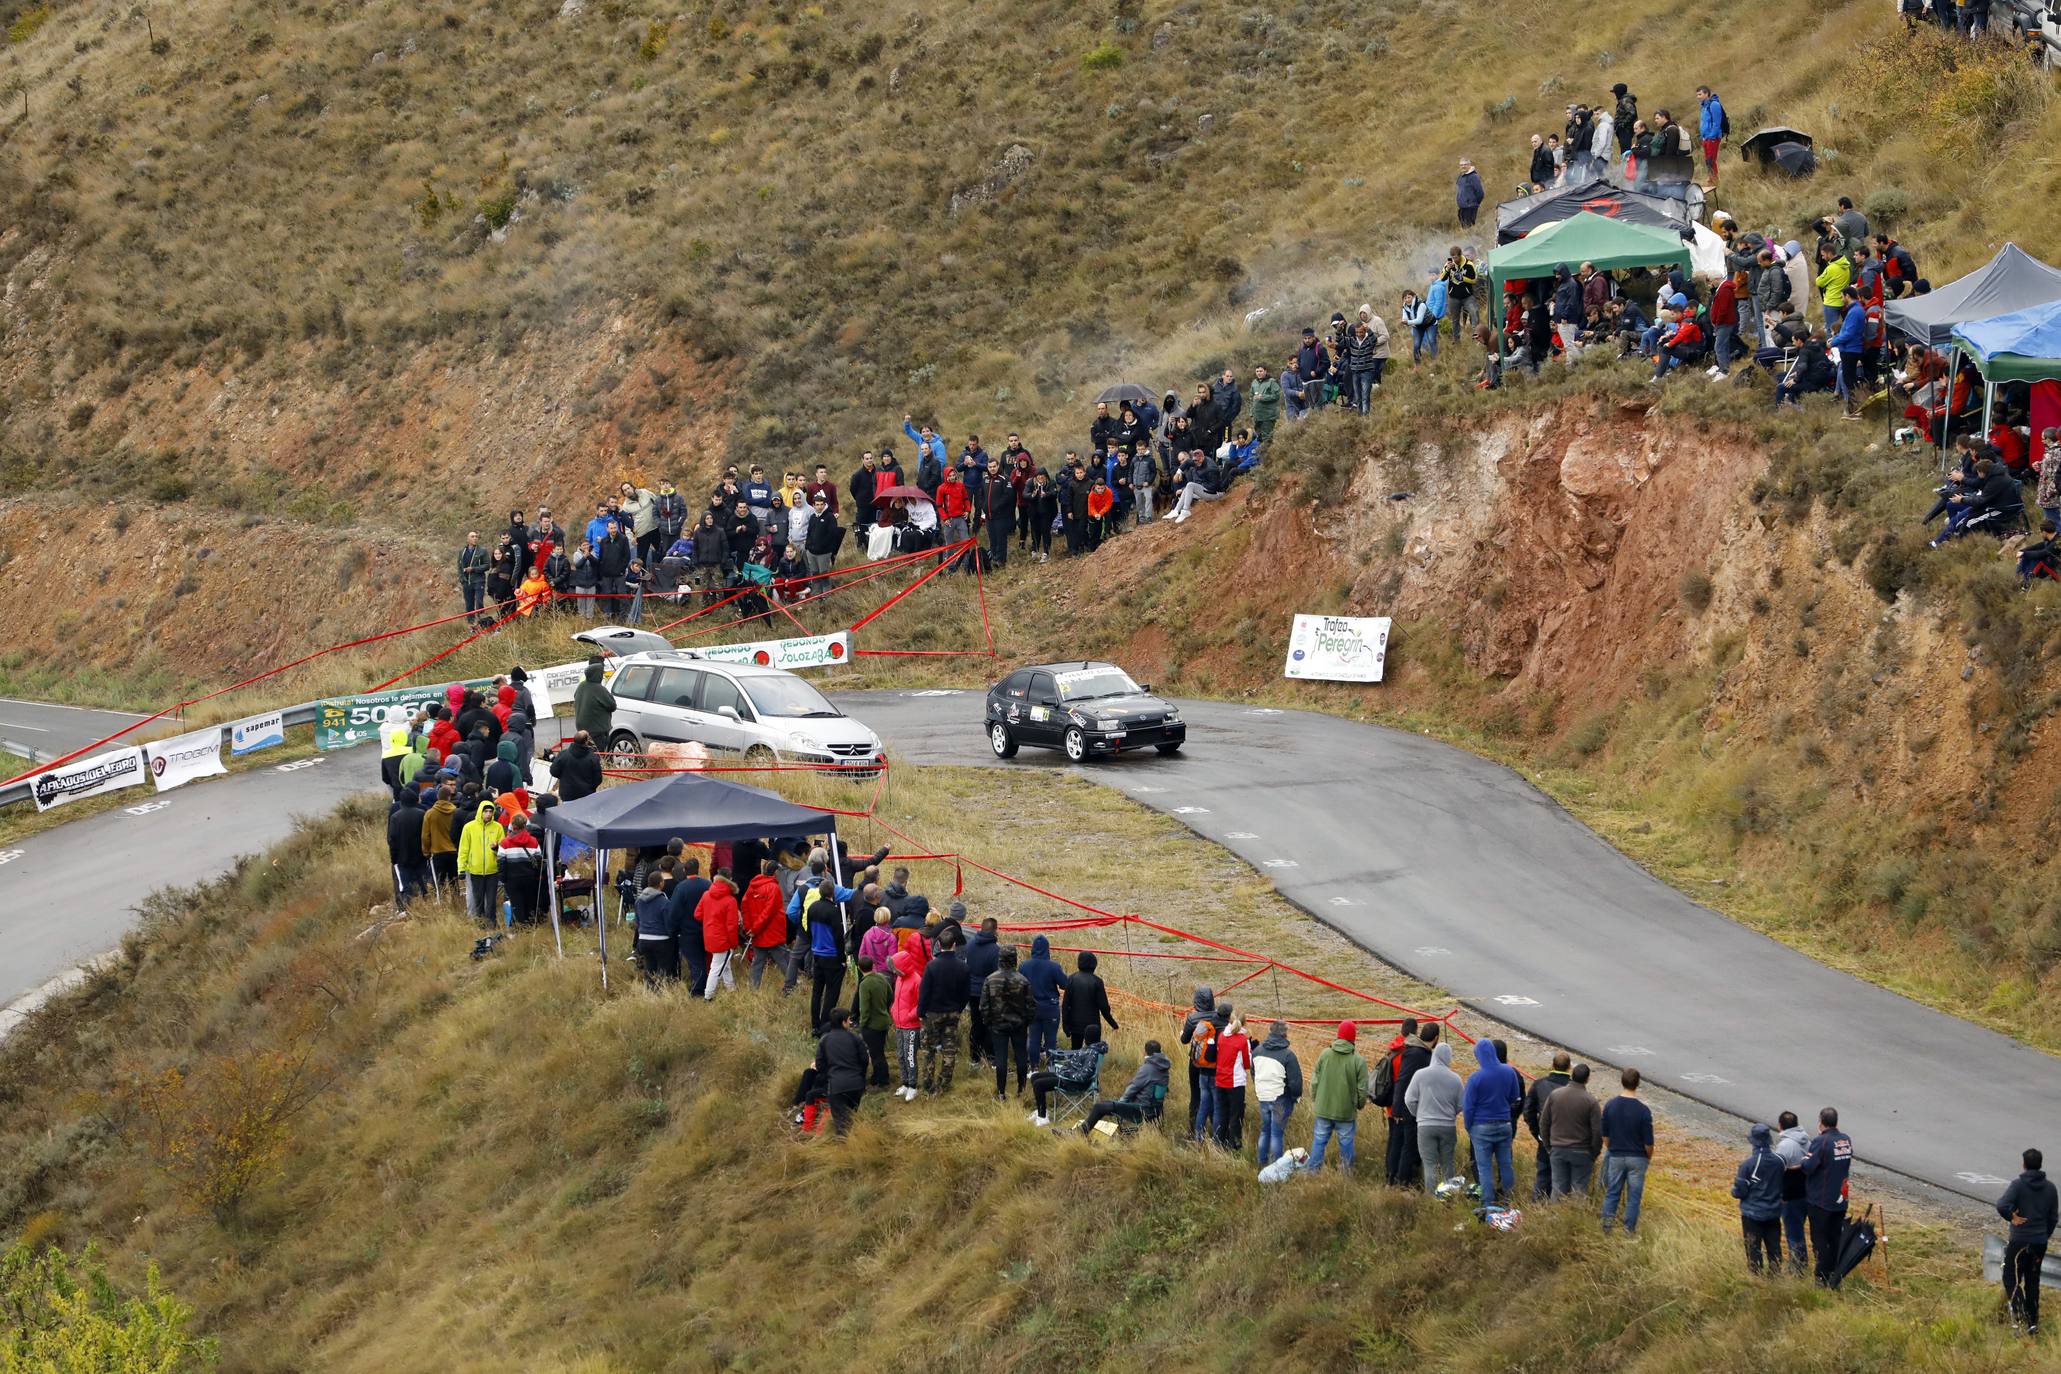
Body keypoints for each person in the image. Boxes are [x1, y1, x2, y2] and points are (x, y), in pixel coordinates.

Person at [1998, 1148, 2058, 1335]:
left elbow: (2001, 1205)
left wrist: (2012, 1218)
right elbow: (2053, 1217)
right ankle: (2033, 1323)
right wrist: (2043, 1235)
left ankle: (2020, 1314)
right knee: (2033, 1281)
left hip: (2020, 1241)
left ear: (2024, 1164)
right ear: (2040, 1164)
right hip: (2039, 1242)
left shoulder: (2018, 1185)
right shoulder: (2050, 1188)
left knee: (2011, 1278)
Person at [1461, 1038, 1523, 1204]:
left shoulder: (1476, 1078)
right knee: (1505, 1164)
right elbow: (1515, 1097)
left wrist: (1469, 1127)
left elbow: (1468, 1107)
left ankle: (1488, 1204)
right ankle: (1508, 1199)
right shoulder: (1509, 1072)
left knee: (1484, 1167)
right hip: (1504, 1123)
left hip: (1481, 1127)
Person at [1304, 1022, 1367, 1172]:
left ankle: (1313, 1172)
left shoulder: (1325, 1054)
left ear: (1338, 1035)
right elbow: (1362, 1089)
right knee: (1346, 1144)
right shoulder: (1358, 1060)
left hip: (1323, 1108)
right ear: (1353, 1038)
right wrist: (1359, 1104)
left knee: (1319, 1141)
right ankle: (1346, 1175)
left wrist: (1316, 1098)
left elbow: (1315, 1080)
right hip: (1345, 1112)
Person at [1600, 1067, 1656, 1236]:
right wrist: (1648, 1157)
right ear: (1637, 1084)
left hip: (1616, 1155)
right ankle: (1628, 1230)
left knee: (1612, 1193)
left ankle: (1607, 1227)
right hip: (1637, 1158)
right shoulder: (1643, 1110)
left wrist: (1612, 1147)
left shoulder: (1610, 1105)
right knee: (1634, 1197)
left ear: (1622, 1081)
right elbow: (1649, 1142)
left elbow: (1605, 1135)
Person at [1075, 1040, 1172, 1135]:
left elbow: (1133, 1088)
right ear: (1160, 1051)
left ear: (1145, 1052)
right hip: (1154, 1109)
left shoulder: (1148, 1068)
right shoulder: (1164, 1069)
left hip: (1140, 1109)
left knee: (1099, 1107)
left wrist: (1121, 1102)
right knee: (1104, 1105)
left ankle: (1080, 1132)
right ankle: (1081, 1131)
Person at [1801, 1106, 1853, 1284]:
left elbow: (1808, 1167)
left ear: (1821, 1122)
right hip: (1840, 1198)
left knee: (1820, 1239)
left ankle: (1821, 1277)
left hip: (1821, 1200)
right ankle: (1834, 1273)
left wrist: (1803, 1160)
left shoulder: (1821, 1141)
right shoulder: (1845, 1140)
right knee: (1835, 1237)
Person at [1404, 1038, 1463, 1191]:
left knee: (1429, 1164)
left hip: (1425, 1126)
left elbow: (1409, 1099)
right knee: (1448, 1163)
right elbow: (1461, 1104)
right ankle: (1449, 1196)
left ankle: (1432, 1198)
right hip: (1448, 1126)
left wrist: (1419, 1115)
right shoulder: (1455, 1079)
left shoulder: (1420, 1075)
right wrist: (1450, 1114)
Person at [916, 927, 969, 1095]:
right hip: (952, 1011)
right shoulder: (962, 967)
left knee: (929, 1049)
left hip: (933, 1013)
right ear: (953, 945)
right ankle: (945, 1082)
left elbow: (924, 992)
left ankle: (928, 1082)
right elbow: (965, 993)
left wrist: (921, 1011)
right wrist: (958, 1008)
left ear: (939, 944)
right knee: (949, 1048)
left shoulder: (932, 966)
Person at [980, 945, 1036, 1101]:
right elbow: (1031, 1005)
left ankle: (1001, 1093)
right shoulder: (1023, 980)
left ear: (1000, 959)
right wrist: (1027, 1022)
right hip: (1019, 1025)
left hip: (997, 1025)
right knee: (1021, 1057)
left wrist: (988, 1022)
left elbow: (984, 1005)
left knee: (1001, 1058)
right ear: (1015, 959)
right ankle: (1021, 1090)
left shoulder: (991, 979)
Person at [1539, 1063, 1602, 1200]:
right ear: (1587, 1079)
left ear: (1572, 1075)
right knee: (1579, 1190)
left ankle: (1555, 1218)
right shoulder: (1591, 1101)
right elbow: (1597, 1131)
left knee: (1558, 1189)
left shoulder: (1555, 1095)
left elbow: (1544, 1123)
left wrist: (1549, 1146)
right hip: (1582, 1151)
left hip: (1558, 1149)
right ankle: (1575, 1219)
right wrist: (1594, 1153)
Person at [1733, 1122, 1786, 1275]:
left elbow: (1739, 1192)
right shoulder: (1780, 1161)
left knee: (1753, 1249)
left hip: (1752, 1214)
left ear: (1753, 1142)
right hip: (1774, 1213)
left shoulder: (1748, 1165)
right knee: (1774, 1248)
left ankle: (1755, 1277)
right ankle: (1775, 1276)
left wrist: (1734, 1190)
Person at [1383, 1019, 1431, 1189]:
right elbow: (1404, 1081)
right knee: (1405, 1143)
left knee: (1393, 1141)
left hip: (1391, 1104)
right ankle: (1401, 1179)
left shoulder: (1392, 1049)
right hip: (1404, 1105)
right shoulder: (1408, 1053)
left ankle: (1390, 1176)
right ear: (1414, 1033)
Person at [1522, 1051, 1574, 1200]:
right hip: (1568, 1141)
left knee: (1543, 1174)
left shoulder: (1539, 1084)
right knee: (1563, 1180)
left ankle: (1537, 1207)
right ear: (1569, 1067)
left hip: (1546, 1138)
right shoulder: (1574, 1088)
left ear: (1552, 1065)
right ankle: (1557, 1211)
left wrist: (1536, 1132)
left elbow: (1528, 1111)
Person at [1252, 1021, 1302, 1168]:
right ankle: (1276, 1168)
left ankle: (1261, 1163)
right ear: (1284, 1034)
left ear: (1270, 1032)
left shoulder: (1257, 1051)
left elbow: (1254, 1073)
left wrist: (1260, 1088)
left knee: (1265, 1130)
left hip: (1263, 1096)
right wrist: (1295, 1097)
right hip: (1280, 1098)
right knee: (1276, 1133)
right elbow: (1295, 1082)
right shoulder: (1288, 1055)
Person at [813, 1007, 869, 1135]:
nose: (850, 1023)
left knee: (842, 1125)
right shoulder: (855, 1038)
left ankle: (843, 1150)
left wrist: (830, 1076)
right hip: (856, 1085)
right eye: (849, 1020)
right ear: (843, 1022)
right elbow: (864, 1060)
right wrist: (860, 1076)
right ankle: (855, 1146)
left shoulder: (825, 1040)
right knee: (851, 1118)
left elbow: (820, 1064)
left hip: (837, 1086)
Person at [456, 798, 504, 928]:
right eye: (485, 811)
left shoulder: (498, 827)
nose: (488, 814)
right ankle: (480, 925)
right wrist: (461, 868)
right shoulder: (469, 827)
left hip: (492, 870)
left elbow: (503, 849)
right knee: (478, 901)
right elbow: (463, 849)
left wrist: (496, 848)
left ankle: (492, 925)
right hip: (475, 870)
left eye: (490, 811)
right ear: (480, 812)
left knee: (491, 901)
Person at [741, 860, 788, 987]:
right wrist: (754, 929)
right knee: (784, 961)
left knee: (758, 961)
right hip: (772, 933)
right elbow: (768, 912)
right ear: (775, 872)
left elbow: (744, 907)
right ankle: (793, 984)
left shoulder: (753, 885)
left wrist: (749, 928)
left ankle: (753, 988)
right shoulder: (774, 888)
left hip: (757, 933)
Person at [1022, 934, 1067, 1066]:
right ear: (1047, 949)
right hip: (1050, 1007)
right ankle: (1051, 1066)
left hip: (1031, 1007)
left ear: (1033, 948)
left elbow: (1020, 985)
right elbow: (1065, 984)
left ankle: (1033, 1067)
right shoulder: (1054, 967)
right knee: (1051, 1040)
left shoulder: (1024, 966)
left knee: (1034, 1039)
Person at [696, 870, 741, 1000]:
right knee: (716, 969)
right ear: (730, 879)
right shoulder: (730, 900)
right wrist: (733, 943)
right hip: (723, 940)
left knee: (724, 965)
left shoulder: (706, 895)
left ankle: (731, 989)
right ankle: (708, 996)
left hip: (709, 936)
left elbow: (697, 914)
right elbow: (731, 926)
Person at [1212, 1012, 1253, 1151]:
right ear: (1244, 1023)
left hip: (1220, 1079)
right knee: (1235, 1115)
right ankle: (1233, 1145)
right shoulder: (1243, 1040)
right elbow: (1247, 1064)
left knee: (1222, 1112)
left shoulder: (1222, 1036)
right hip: (1235, 1082)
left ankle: (1218, 1142)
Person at [1061, 951, 1118, 1049]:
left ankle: (1075, 1064)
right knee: (1094, 1053)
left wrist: (1065, 1025)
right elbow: (1104, 1007)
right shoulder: (1097, 981)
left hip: (1075, 1024)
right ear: (1094, 964)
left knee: (1075, 1051)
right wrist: (1113, 1023)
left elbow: (1065, 1005)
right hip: (1093, 1026)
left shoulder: (1071, 979)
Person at [634, 870, 678, 984]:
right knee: (663, 969)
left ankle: (649, 992)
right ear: (661, 884)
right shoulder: (664, 902)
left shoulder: (639, 901)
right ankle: (661, 994)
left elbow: (637, 921)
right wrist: (672, 937)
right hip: (661, 940)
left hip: (643, 939)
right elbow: (669, 923)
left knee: (649, 968)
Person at [573, 658, 615, 745]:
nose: (602, 676)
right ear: (597, 674)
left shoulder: (581, 685)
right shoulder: (599, 689)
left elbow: (576, 697)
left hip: (581, 730)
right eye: (601, 674)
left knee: (586, 752)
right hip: (597, 730)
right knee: (599, 754)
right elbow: (612, 706)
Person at [1248, 365, 1282, 450]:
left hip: (1268, 415)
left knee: (1267, 438)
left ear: (1265, 371)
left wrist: (1262, 397)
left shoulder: (1271, 382)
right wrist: (1251, 412)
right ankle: (1260, 458)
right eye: (1257, 371)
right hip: (1257, 416)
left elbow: (1277, 395)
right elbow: (1251, 398)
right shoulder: (1254, 382)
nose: (1259, 373)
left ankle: (1267, 456)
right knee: (1259, 437)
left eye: (1261, 371)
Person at [1695, 85, 1725, 183]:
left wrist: (1712, 136)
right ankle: (1711, 178)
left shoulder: (1714, 105)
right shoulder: (1704, 106)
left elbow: (1717, 122)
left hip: (1713, 137)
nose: (1698, 97)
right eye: (1697, 95)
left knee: (1711, 160)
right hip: (1706, 137)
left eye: (1700, 94)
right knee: (1708, 159)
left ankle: (1714, 179)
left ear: (1706, 94)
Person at [1454, 158, 1484, 227]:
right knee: (1464, 227)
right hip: (1462, 207)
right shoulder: (1461, 176)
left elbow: (1480, 192)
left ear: (1469, 165)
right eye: (1461, 165)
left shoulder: (1473, 177)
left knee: (1469, 227)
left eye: (1465, 164)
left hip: (1470, 207)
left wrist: (1474, 203)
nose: (1463, 166)